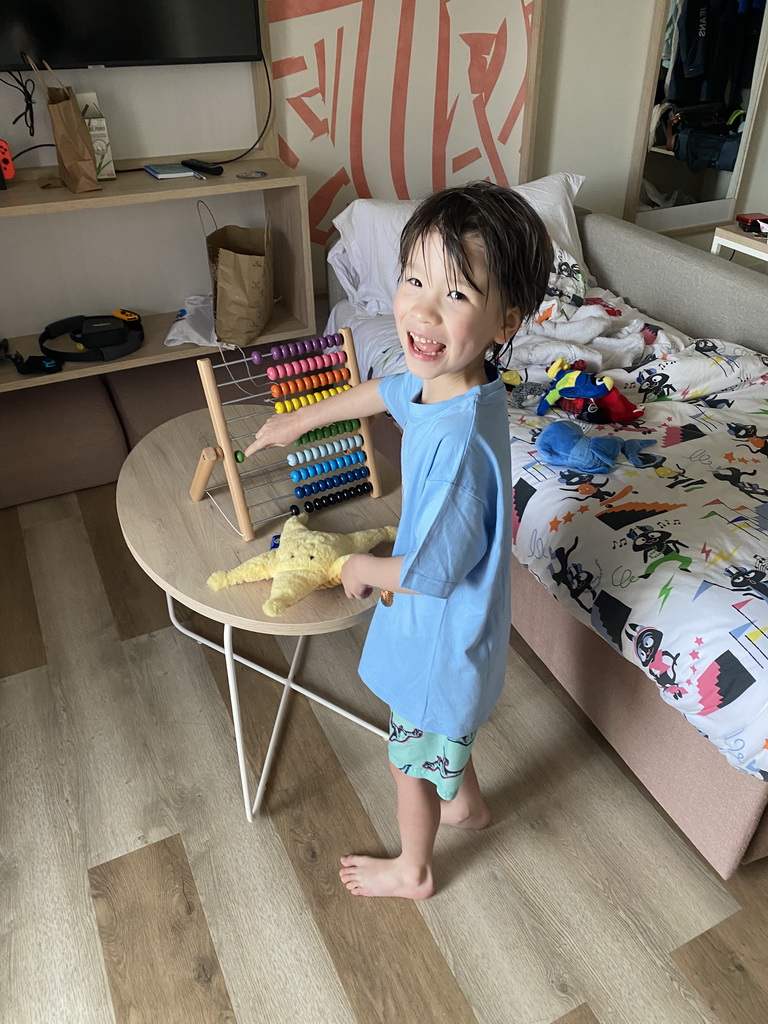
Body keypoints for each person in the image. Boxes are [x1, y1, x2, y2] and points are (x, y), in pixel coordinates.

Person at [245, 181, 551, 898]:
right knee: (443, 737)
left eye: (456, 294)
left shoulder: (458, 450)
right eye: (414, 279)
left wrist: (359, 565)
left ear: (507, 321)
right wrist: (298, 420)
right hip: (454, 634)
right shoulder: (452, 383)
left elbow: (430, 573)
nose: (421, 308)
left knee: (407, 758)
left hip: (439, 634)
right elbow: (383, 391)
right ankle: (468, 805)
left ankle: (414, 868)